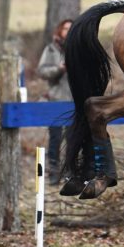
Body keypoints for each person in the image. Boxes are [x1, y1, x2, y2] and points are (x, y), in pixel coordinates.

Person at [37, 19, 72, 184]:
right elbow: (42, 71)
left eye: (71, 29)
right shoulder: (51, 49)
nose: (68, 31)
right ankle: (53, 173)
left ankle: (71, 173)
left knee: (73, 139)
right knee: (55, 139)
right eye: (65, 29)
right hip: (56, 101)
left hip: (75, 101)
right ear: (60, 31)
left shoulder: (80, 48)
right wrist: (59, 68)